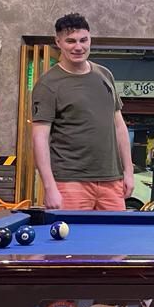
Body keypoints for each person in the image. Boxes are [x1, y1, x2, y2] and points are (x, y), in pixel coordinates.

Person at [31, 13, 134, 210]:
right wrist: (49, 186)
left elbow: (119, 126)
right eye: (70, 41)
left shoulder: (105, 75)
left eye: (83, 40)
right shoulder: (48, 84)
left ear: (90, 39)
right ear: (58, 42)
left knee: (115, 240)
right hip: (70, 183)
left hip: (112, 182)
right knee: (70, 240)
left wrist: (128, 172)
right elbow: (39, 138)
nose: (78, 47)